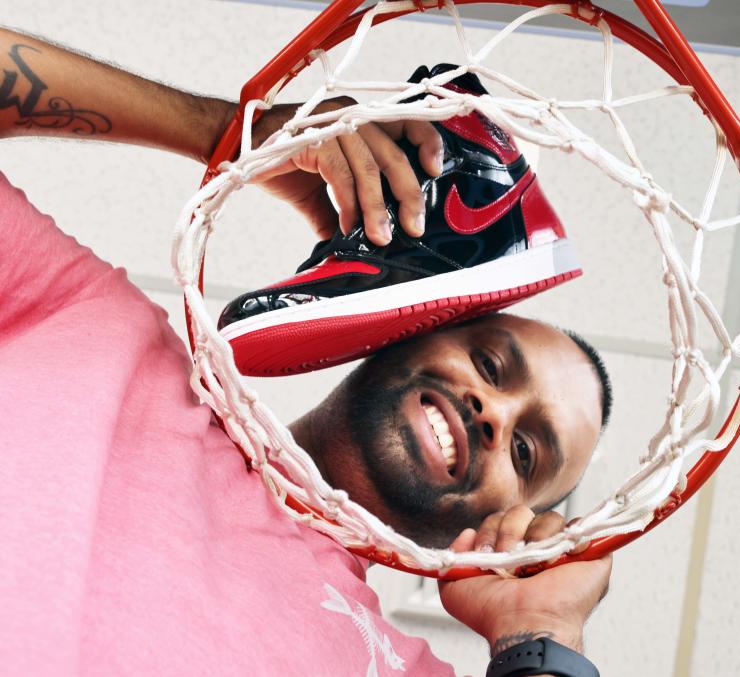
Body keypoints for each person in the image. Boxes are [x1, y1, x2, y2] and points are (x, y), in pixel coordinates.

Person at [0, 28, 612, 675]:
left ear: (504, 522)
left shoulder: (397, 669)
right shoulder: (98, 327)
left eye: (525, 450)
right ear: (406, 327)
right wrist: (230, 137)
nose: (493, 412)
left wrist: (538, 634)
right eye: (490, 363)